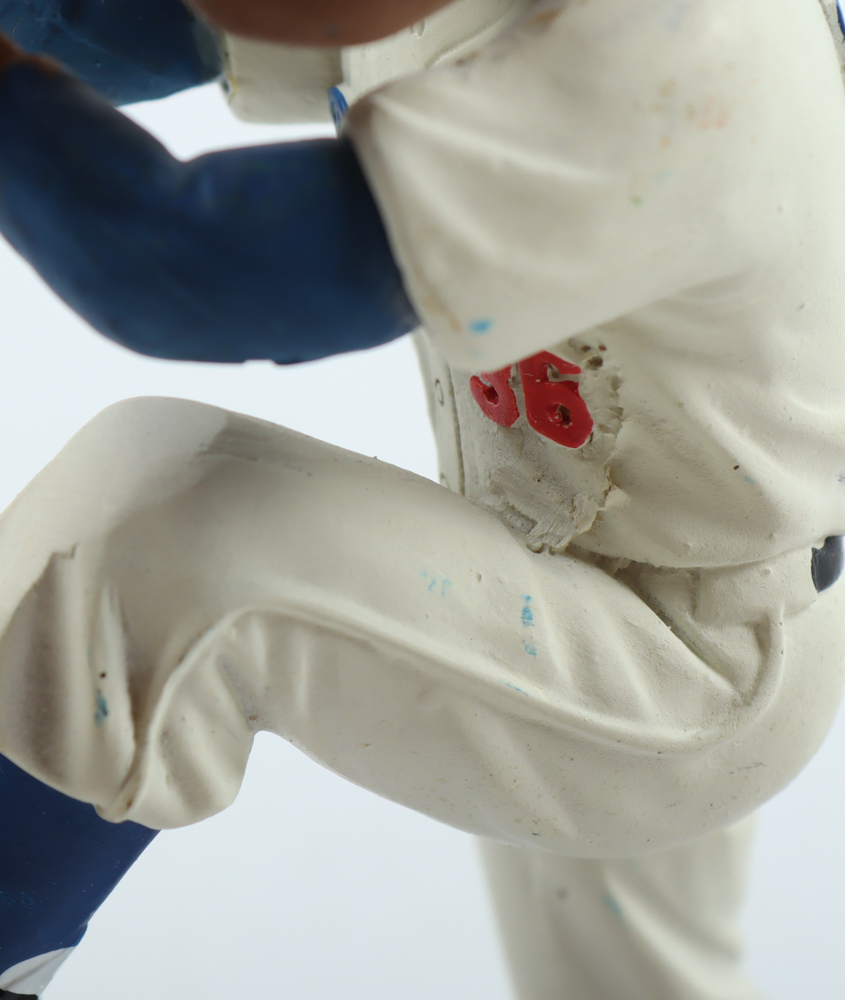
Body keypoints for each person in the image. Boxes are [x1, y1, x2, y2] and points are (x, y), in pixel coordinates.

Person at [2, 0, 845, 997]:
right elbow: (141, 27)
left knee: (158, 535)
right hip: (559, 557)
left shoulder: (676, 50)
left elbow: (197, 268)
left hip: (677, 659)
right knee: (620, 975)